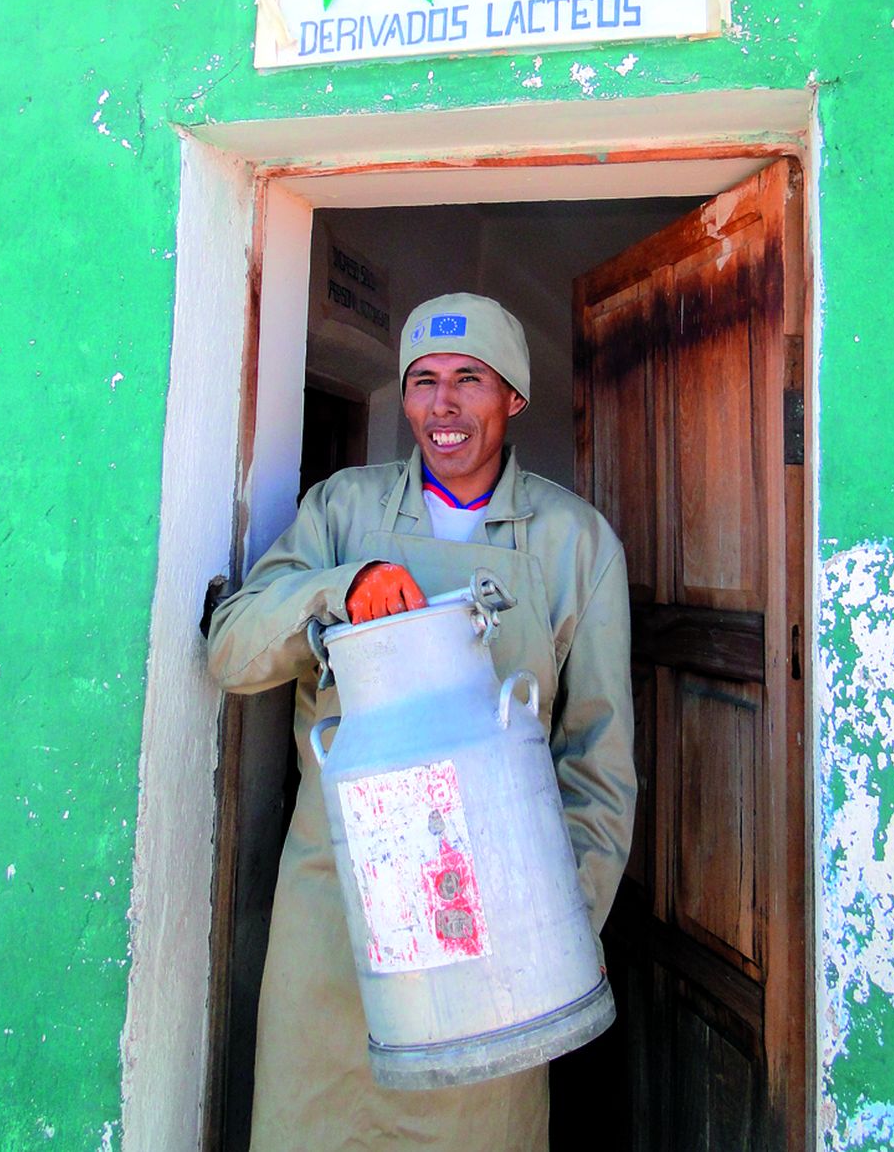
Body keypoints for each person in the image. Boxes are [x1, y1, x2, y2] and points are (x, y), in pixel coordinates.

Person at [207, 292, 635, 1152]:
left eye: (469, 379)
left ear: (513, 396)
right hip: (332, 918)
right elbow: (232, 652)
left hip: (491, 933)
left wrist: (554, 929)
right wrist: (340, 589)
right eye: (423, 381)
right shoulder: (342, 513)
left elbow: (599, 764)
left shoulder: (575, 544)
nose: (443, 406)